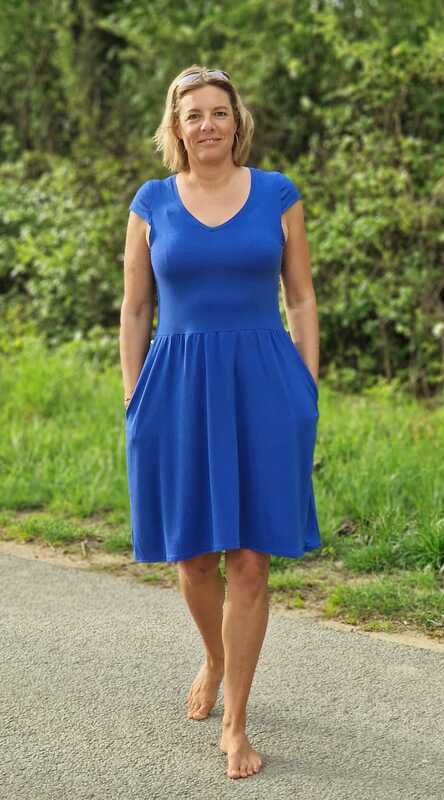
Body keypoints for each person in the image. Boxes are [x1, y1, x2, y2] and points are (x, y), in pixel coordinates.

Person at [120, 64, 321, 781]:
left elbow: (301, 297)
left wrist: (305, 386)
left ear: (237, 121)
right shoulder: (151, 202)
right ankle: (215, 654)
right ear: (175, 127)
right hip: (176, 385)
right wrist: (133, 397)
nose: (207, 124)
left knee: (251, 559)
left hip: (263, 383)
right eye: (193, 114)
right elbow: (136, 307)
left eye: (218, 112)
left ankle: (236, 723)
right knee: (194, 557)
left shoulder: (277, 194)